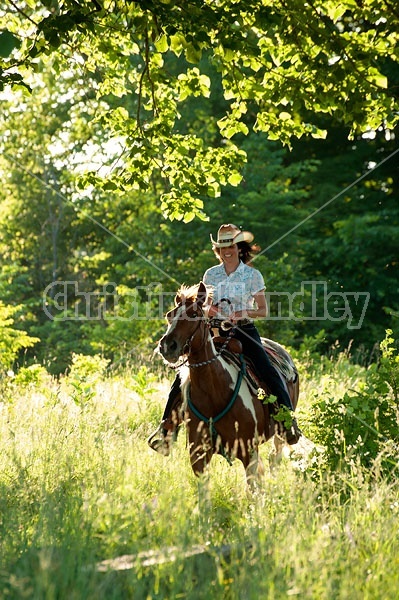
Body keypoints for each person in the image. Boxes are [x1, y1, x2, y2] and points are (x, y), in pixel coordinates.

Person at [148, 223, 301, 455]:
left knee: (266, 368)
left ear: (239, 247)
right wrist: (211, 311)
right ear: (217, 250)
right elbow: (204, 303)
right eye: (222, 247)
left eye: (230, 246)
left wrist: (241, 313)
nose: (226, 251)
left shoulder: (252, 275)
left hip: (243, 330)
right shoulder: (211, 274)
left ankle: (288, 421)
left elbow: (262, 310)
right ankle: (166, 430)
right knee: (183, 376)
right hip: (212, 330)